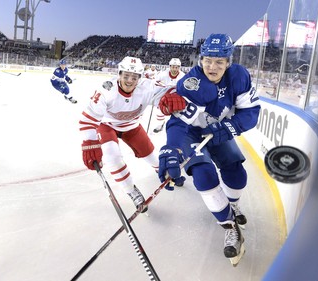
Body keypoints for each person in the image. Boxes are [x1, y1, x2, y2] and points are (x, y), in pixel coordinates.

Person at [157, 34, 261, 265]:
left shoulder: (239, 76)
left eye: (219, 62)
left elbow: (251, 112)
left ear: (228, 62)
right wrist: (172, 148)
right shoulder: (191, 84)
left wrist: (231, 127)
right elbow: (179, 122)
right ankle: (229, 224)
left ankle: (232, 204)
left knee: (236, 173)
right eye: (207, 61)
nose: (212, 67)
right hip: (192, 133)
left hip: (220, 128)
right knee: (204, 176)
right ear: (200, 59)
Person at [78, 56, 185, 213]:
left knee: (151, 155)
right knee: (113, 158)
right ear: (119, 74)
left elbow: (168, 91)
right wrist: (90, 143)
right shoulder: (107, 90)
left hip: (132, 126)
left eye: (134, 77)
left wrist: (173, 96)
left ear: (140, 78)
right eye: (126, 75)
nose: (129, 80)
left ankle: (162, 170)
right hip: (107, 126)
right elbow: (88, 120)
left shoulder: (147, 87)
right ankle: (131, 190)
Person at [152, 58, 185, 133]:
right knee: (160, 110)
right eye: (173, 67)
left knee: (177, 112)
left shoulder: (183, 76)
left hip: (176, 97)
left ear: (179, 67)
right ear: (170, 66)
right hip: (164, 96)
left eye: (177, 67)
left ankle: (175, 126)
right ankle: (160, 124)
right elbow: (154, 82)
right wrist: (162, 86)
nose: (174, 69)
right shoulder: (163, 74)